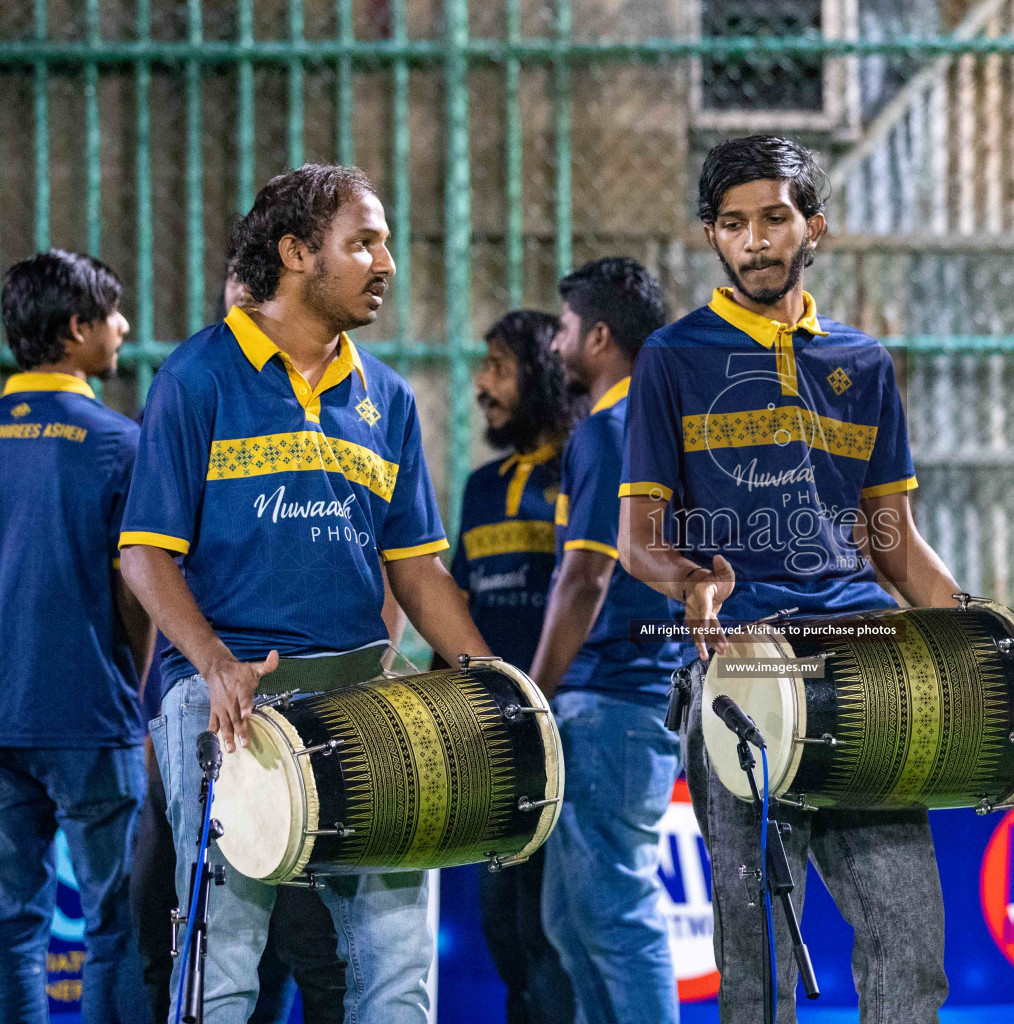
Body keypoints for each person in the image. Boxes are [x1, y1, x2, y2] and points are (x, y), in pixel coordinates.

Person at [117, 163, 493, 1024]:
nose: (385, 262)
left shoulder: (388, 396)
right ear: (295, 253)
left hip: (363, 709)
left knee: (398, 975)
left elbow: (418, 569)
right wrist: (214, 664)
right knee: (222, 975)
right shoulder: (199, 376)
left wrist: (486, 676)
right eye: (362, 242)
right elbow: (144, 555)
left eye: (386, 242)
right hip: (231, 712)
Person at [619, 135, 962, 1023]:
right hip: (743, 675)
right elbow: (638, 541)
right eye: (733, 226)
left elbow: (893, 540)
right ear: (712, 238)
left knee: (909, 947)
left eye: (774, 219)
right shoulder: (673, 358)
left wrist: (970, 628)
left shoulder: (863, 363)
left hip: (865, 673)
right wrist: (693, 585)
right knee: (758, 969)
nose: (756, 242)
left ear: (814, 226)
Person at [129, 262, 353, 1024]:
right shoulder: (196, 383)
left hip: (324, 710)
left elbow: (388, 566)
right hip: (217, 704)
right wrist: (189, 685)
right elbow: (147, 559)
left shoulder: (363, 396)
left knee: (318, 944)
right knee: (214, 946)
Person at [531, 257, 688, 1024]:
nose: (554, 344)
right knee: (573, 919)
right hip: (635, 699)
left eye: (563, 328)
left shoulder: (607, 432)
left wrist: (535, 691)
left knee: (617, 916)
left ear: (598, 338)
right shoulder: (661, 429)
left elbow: (584, 579)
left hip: (611, 701)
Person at [0, 250, 154, 1024]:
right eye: (113, 313)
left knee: (9, 929)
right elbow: (141, 588)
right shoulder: (119, 442)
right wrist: (141, 698)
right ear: (76, 329)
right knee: (114, 928)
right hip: (89, 715)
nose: (124, 327)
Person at [450, 309, 577, 1023]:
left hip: (565, 732)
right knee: (503, 925)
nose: (482, 385)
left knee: (550, 928)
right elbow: (455, 601)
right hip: (491, 740)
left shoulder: (583, 472)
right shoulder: (478, 486)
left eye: (499, 368)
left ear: (542, 373)